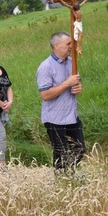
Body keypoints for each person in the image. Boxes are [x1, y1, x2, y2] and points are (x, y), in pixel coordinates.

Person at [36, 31, 86, 171]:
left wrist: (78, 87)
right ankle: (61, 180)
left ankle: (70, 174)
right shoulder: (45, 67)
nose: (72, 46)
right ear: (57, 46)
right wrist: (67, 83)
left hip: (71, 115)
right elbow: (45, 95)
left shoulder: (72, 62)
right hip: (54, 118)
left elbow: (76, 83)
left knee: (80, 149)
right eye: (68, 43)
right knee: (61, 152)